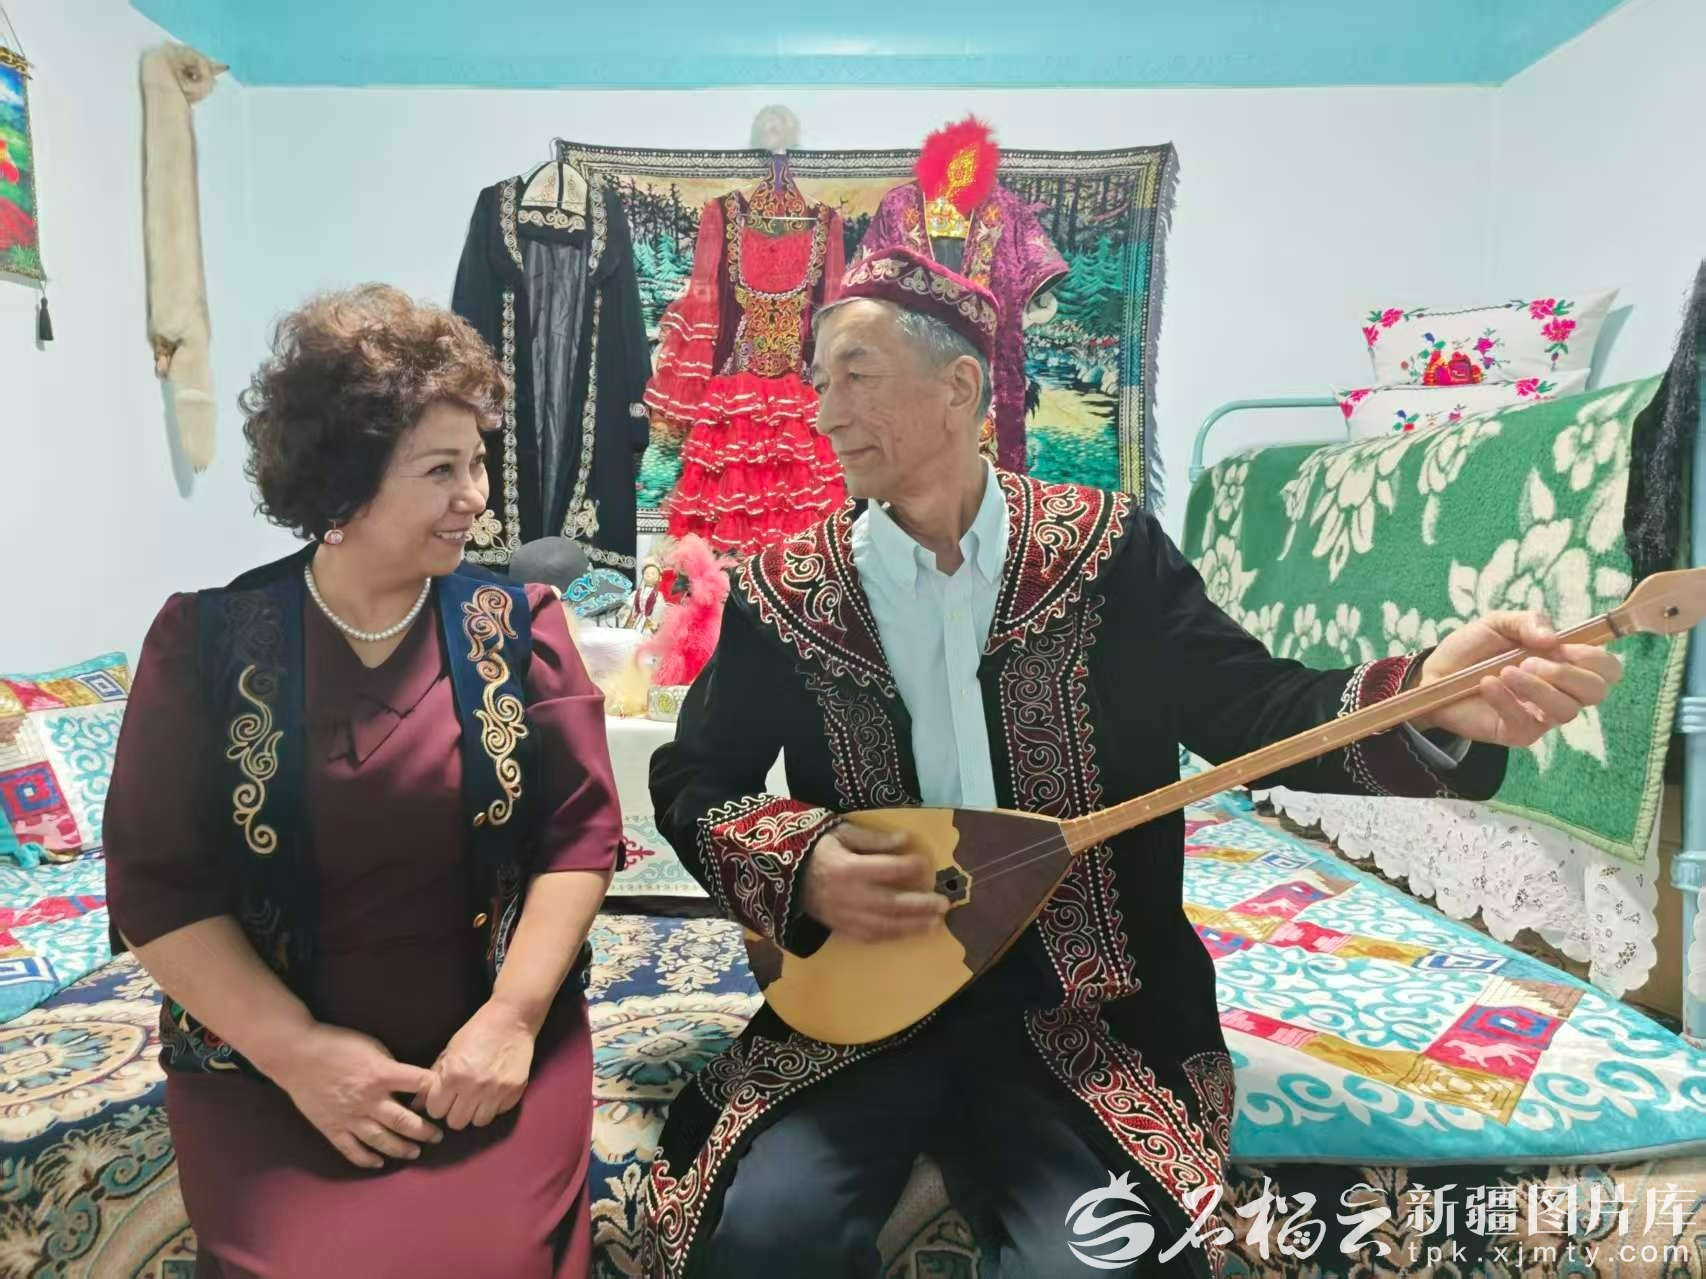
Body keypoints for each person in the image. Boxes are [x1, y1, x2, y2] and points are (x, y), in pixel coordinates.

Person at [640, 248, 1624, 1278]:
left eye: (856, 375)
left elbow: (1254, 708)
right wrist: (806, 865)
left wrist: (1428, 695)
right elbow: (694, 777)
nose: (824, 413)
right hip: (862, 1008)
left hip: (1087, 1012)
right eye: (820, 381)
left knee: (1096, 1263)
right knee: (764, 1234)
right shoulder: (787, 591)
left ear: (959, 387)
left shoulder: (1106, 554)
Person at [104, 284, 622, 1278]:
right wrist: (298, 1052)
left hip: (489, 1059)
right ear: (344, 488)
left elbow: (579, 836)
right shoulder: (206, 645)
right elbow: (158, 888)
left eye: (478, 461)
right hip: (269, 1070)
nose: (477, 496)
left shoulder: (521, 628)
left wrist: (512, 1018)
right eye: (441, 470)